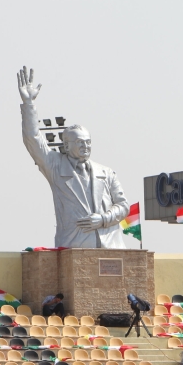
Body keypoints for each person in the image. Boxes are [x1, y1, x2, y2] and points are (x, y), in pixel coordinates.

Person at [17, 67, 130, 248]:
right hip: (75, 246)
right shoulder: (55, 166)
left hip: (111, 246)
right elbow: (33, 139)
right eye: (79, 142)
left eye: (88, 142)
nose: (85, 146)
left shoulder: (106, 172)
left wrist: (103, 219)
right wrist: (28, 103)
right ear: (67, 146)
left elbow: (123, 206)